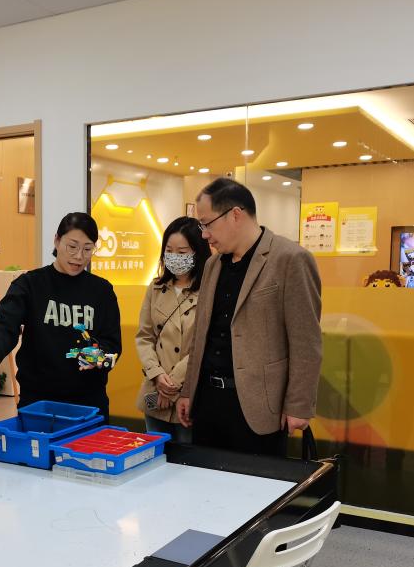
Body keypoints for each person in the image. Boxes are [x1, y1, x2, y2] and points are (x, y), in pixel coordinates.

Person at [176, 178, 322, 456]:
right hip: (207, 402)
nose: (204, 235)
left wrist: (299, 405)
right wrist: (188, 391)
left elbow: (306, 342)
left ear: (235, 215)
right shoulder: (213, 264)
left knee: (256, 480)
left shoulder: (290, 259)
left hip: (259, 407)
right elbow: (201, 335)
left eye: (206, 224)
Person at [0, 212, 121, 417]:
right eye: (72, 247)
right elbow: (6, 324)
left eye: (87, 249)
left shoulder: (102, 291)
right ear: (57, 240)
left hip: (89, 404)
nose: (79, 256)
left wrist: (98, 358)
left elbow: (112, 344)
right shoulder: (30, 284)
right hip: (39, 402)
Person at [135, 217, 209, 442]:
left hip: (188, 394)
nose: (174, 257)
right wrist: (157, 375)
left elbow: (204, 344)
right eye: (169, 250)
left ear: (197, 253)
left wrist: (173, 384)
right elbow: (144, 337)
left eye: (182, 252)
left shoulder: (209, 290)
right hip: (154, 391)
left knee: (189, 455)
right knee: (154, 451)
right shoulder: (156, 287)